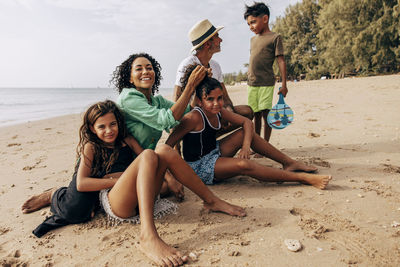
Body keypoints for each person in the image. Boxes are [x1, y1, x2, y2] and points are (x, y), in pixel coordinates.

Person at [21, 100, 185, 266]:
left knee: (163, 188)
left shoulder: (128, 140)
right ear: (92, 128)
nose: (109, 130)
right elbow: (82, 184)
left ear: (118, 123)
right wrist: (118, 180)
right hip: (102, 186)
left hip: (118, 185)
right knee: (76, 213)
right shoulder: (91, 146)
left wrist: (169, 178)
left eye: (113, 124)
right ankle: (54, 194)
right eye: (102, 127)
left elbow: (150, 160)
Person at [166, 67, 332, 190]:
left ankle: (289, 163)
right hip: (199, 167)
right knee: (243, 165)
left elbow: (247, 123)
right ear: (200, 101)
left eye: (219, 98)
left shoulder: (218, 110)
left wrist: (245, 147)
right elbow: (167, 146)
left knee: (245, 134)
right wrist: (174, 176)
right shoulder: (193, 117)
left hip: (214, 152)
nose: (216, 103)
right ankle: (301, 178)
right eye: (210, 99)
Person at [174, 19, 253, 136]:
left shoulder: (215, 66)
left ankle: (211, 139)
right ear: (207, 44)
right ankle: (198, 138)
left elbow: (225, 97)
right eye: (217, 36)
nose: (221, 40)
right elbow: (176, 101)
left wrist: (229, 110)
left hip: (212, 112)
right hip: (194, 116)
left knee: (247, 112)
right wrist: (176, 147)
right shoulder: (187, 65)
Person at [244, 2, 289, 151]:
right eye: (248, 24)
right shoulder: (252, 40)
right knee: (254, 114)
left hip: (266, 82)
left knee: (265, 114)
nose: (251, 26)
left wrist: (284, 84)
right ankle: (257, 146)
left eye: (253, 22)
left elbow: (281, 61)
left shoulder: (275, 37)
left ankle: (266, 145)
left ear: (265, 19)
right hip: (252, 83)